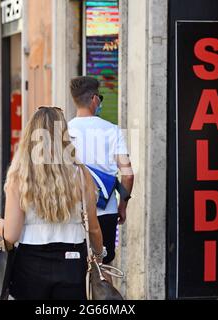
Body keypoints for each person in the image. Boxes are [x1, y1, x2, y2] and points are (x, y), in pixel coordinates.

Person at [0, 107, 104, 300]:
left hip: (30, 265)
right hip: (72, 262)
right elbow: (94, 228)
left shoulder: (20, 176)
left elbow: (10, 235)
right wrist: (98, 256)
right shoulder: (80, 174)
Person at [68, 76, 134, 271]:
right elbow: (128, 175)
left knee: (76, 269)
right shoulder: (112, 130)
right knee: (104, 268)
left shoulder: (63, 130)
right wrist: (122, 205)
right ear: (95, 99)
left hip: (73, 211)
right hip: (106, 211)